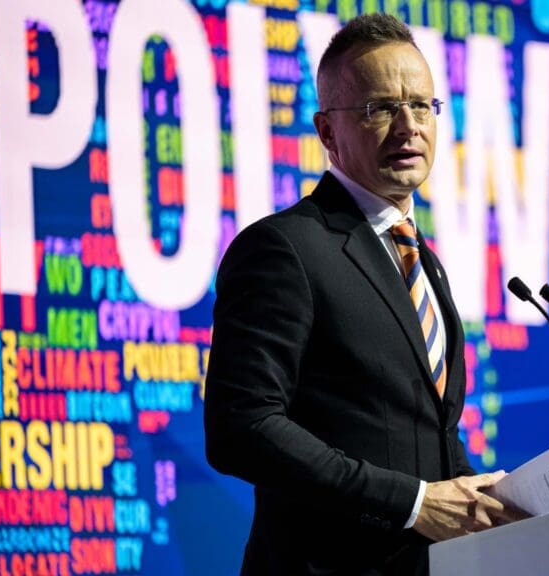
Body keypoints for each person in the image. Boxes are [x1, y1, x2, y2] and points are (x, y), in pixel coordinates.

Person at [204, 13, 522, 575]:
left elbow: (419, 439)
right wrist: (413, 503)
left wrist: (489, 499)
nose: (408, 127)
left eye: (422, 105)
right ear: (327, 132)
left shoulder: (425, 263)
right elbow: (241, 427)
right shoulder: (285, 249)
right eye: (380, 108)